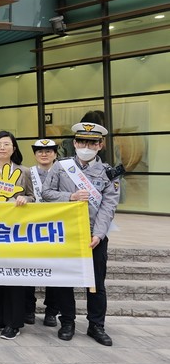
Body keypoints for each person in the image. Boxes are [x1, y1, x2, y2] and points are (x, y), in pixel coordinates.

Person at [42, 122, 120, 346]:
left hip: (93, 236)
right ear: (75, 143)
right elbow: (46, 193)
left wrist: (99, 234)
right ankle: (67, 322)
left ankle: (96, 325)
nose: (87, 147)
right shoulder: (61, 166)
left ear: (100, 145)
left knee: (96, 283)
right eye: (82, 142)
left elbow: (109, 206)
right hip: (65, 233)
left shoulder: (108, 172)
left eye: (92, 143)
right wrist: (70, 197)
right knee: (65, 280)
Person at [0, 131, 35, 340]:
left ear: (14, 148)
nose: (2, 148)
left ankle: (13, 322)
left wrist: (25, 200)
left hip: (16, 231)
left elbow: (33, 196)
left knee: (13, 275)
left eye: (6, 144)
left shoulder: (24, 171)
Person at [29, 138, 60, 327]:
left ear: (55, 154)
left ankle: (52, 311)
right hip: (32, 228)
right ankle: (29, 308)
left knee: (54, 271)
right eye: (40, 151)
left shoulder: (64, 173)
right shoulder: (28, 173)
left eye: (48, 151)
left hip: (56, 228)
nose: (44, 154)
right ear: (35, 154)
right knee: (29, 269)